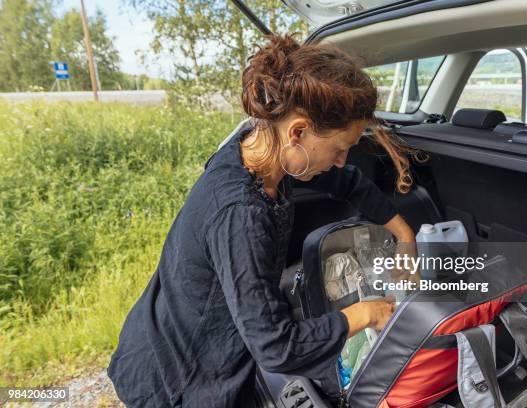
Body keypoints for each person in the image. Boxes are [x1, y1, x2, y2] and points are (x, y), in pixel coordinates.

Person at [108, 34, 418, 407]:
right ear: (299, 131)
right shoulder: (241, 212)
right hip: (179, 380)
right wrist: (366, 313)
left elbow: (345, 179)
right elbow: (276, 347)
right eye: (340, 148)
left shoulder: (267, 151)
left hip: (205, 345)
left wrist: (401, 231)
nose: (341, 159)